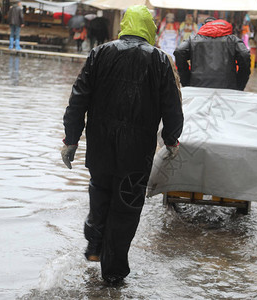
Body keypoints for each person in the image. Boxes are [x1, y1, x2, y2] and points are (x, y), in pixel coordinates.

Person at [61, 5, 183, 285]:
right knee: (126, 208)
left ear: (125, 25)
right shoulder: (160, 60)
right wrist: (171, 139)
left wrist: (71, 139)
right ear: (149, 29)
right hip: (136, 151)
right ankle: (113, 274)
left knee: (100, 193)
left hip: (101, 146)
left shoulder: (100, 53)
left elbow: (78, 98)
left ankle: (94, 245)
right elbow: (172, 105)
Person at [174, 17, 251, 91]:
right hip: (227, 87)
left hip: (198, 85)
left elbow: (179, 52)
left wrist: (186, 80)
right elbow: (245, 55)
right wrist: (240, 84)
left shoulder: (193, 39)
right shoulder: (233, 40)